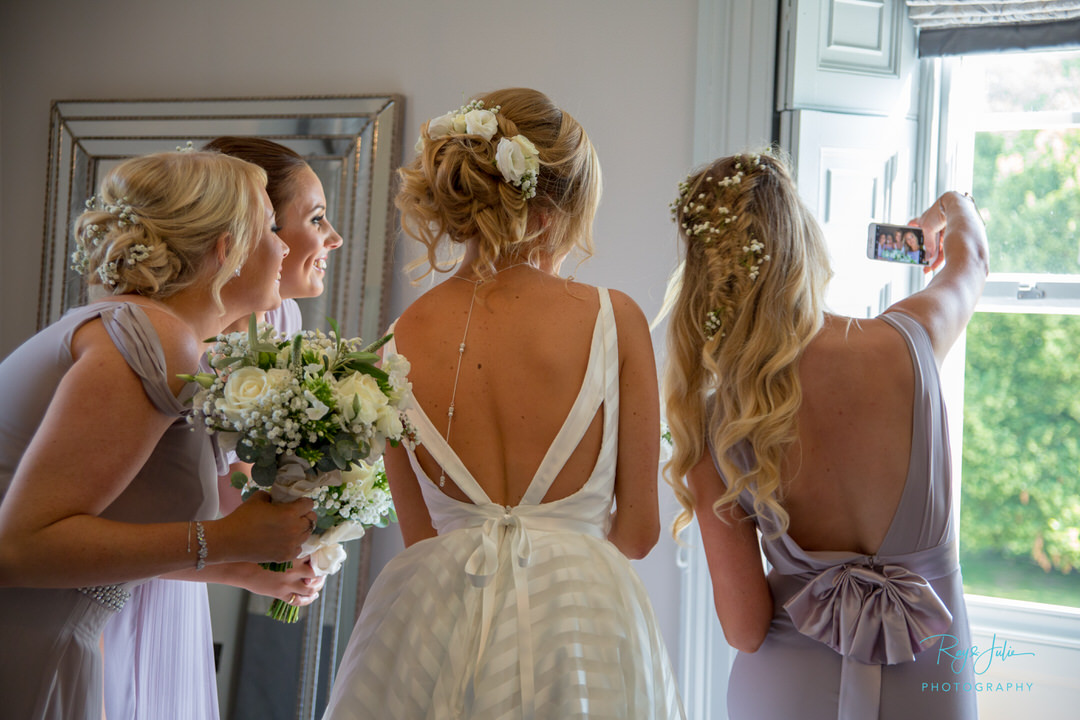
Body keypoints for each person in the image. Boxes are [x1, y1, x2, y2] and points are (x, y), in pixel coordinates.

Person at [321, 88, 685, 719]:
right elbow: (640, 532)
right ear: (549, 215)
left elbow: (420, 538)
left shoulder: (398, 338)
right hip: (580, 626)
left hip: (430, 625)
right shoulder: (612, 318)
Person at [660, 148, 988, 719]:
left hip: (787, 693)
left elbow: (745, 628)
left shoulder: (715, 419)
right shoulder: (909, 341)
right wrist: (951, 208)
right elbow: (973, 259)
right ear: (803, 242)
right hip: (931, 682)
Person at [0, 150, 319, 720]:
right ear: (228, 248)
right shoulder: (151, 335)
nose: (285, 247)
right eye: (272, 227)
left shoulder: (150, 330)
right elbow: (18, 549)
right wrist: (227, 543)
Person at [101, 137, 345, 720]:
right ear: (246, 231)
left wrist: (301, 538)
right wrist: (237, 562)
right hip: (118, 586)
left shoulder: (279, 321)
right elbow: (111, 518)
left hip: (180, 588)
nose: (332, 237)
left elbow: (231, 476)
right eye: (314, 218)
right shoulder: (156, 340)